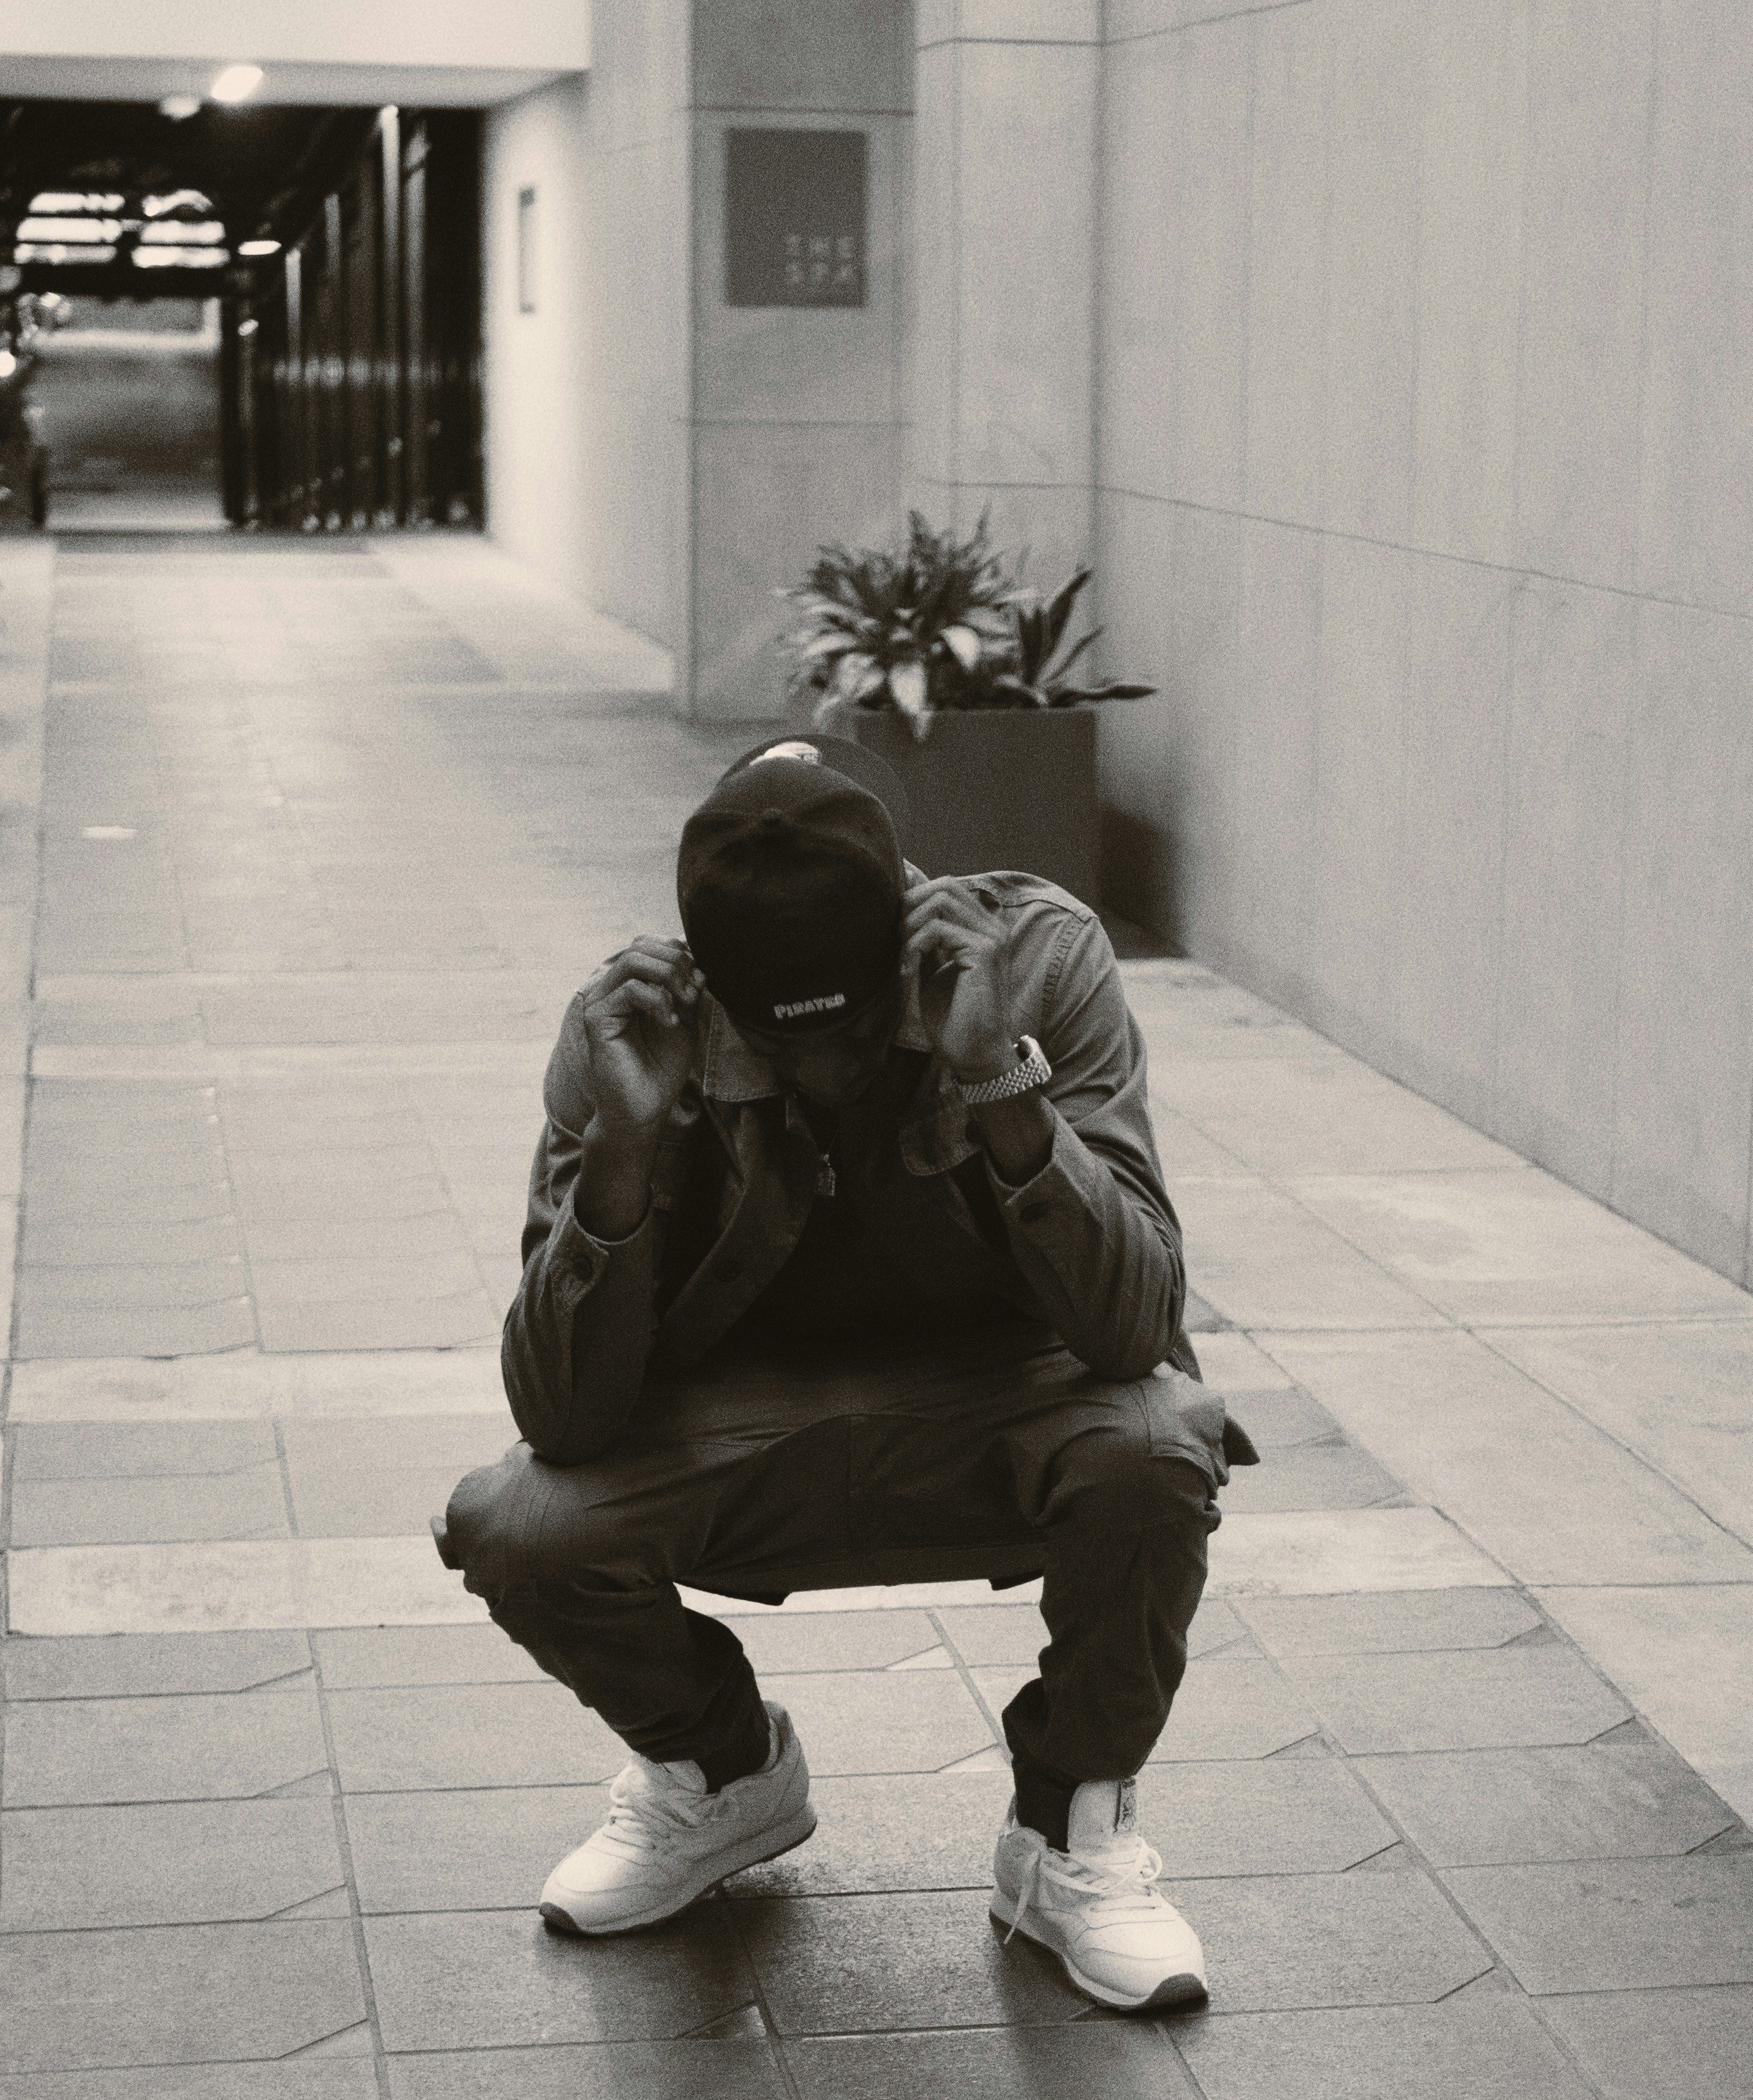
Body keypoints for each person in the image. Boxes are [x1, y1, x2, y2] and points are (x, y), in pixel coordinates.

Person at [439, 734, 1251, 2012]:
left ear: (906, 944)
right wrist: (624, 1157)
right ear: (714, 983)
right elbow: (559, 1415)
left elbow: (1133, 1320)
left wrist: (994, 1075)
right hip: (742, 1433)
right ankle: (721, 1780)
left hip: (1015, 1401)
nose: (818, 1071)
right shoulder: (630, 1027)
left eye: (854, 1031)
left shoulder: (1036, 961)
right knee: (518, 1526)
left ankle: (1070, 1837)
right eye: (776, 1042)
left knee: (1160, 1438)